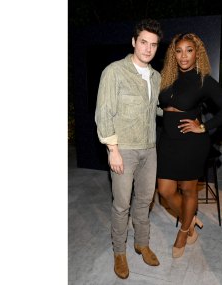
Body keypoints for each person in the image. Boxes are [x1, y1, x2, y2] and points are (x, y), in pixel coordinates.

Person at [157, 32, 222, 258]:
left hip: (192, 144)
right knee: (165, 191)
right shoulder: (167, 77)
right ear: (174, 54)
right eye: (179, 50)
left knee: (188, 189)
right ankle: (189, 217)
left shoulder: (203, 80)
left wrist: (204, 126)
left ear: (197, 53)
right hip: (168, 141)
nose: (184, 56)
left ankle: (184, 232)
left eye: (189, 50)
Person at [95, 19, 163, 279]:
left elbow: (153, 109)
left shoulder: (155, 77)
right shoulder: (114, 71)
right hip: (124, 149)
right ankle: (119, 252)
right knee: (122, 205)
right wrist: (113, 150)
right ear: (134, 42)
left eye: (153, 45)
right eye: (143, 42)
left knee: (145, 201)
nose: (148, 49)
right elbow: (104, 112)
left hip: (150, 148)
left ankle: (142, 243)